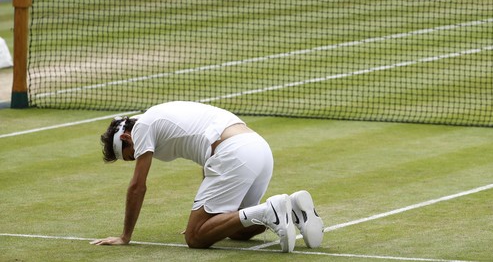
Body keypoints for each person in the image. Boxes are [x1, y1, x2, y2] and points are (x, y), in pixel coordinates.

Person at [89, 101, 324, 252]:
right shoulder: (161, 115)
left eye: (130, 157)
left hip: (235, 153)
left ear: (125, 139)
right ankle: (293, 211)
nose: (135, 159)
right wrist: (205, 217)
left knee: (195, 237)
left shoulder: (142, 128)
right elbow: (206, 154)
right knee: (236, 231)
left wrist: (125, 236)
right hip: (259, 149)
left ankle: (268, 210)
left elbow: (137, 187)